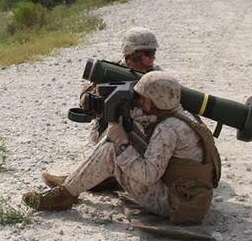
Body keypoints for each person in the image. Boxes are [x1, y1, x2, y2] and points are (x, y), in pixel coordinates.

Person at [23, 71, 221, 225]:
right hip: (189, 196)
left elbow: (148, 175)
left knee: (112, 150)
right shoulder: (184, 116)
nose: (140, 102)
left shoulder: (168, 129)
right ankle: (73, 183)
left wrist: (123, 144)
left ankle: (64, 195)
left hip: (175, 203)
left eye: (144, 98)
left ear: (157, 101)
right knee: (123, 134)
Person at [42, 26, 162, 190]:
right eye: (146, 54)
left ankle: (81, 181)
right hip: (114, 129)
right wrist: (94, 100)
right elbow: (85, 96)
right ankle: (92, 177)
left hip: (144, 135)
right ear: (131, 53)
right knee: (110, 137)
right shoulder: (111, 71)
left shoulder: (157, 75)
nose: (151, 59)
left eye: (152, 53)